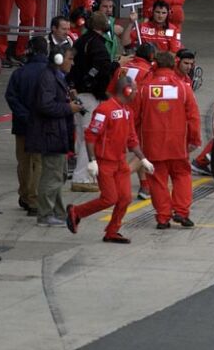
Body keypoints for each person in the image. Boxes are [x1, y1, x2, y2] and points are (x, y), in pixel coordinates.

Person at [66, 77, 154, 244]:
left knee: (125, 198)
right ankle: (76, 211)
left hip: (120, 162)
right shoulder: (104, 110)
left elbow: (132, 139)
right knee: (109, 198)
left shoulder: (128, 111)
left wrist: (143, 159)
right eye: (134, 89)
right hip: (105, 162)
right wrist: (92, 161)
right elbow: (91, 136)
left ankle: (112, 231)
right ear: (126, 90)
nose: (136, 92)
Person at [135, 51, 201, 229]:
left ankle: (163, 218)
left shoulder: (143, 88)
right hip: (178, 143)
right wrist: (194, 139)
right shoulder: (183, 88)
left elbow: (135, 118)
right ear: (174, 65)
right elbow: (193, 117)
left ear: (155, 65)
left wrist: (134, 143)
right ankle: (181, 211)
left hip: (152, 143)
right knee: (182, 176)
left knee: (157, 180)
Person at [26, 46, 84, 226]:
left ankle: (57, 211)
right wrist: (69, 108)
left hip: (58, 132)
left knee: (59, 174)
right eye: (70, 59)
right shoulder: (48, 78)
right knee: (51, 175)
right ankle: (45, 214)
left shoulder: (57, 77)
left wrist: (69, 100)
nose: (72, 63)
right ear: (59, 59)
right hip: (50, 133)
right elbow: (45, 105)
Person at [70, 11, 121, 192]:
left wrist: (74, 84)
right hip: (90, 97)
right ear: (103, 26)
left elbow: (72, 64)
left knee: (81, 135)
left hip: (77, 94)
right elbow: (103, 67)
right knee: (89, 138)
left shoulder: (81, 41)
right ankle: (82, 178)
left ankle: (82, 173)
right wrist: (101, 89)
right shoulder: (98, 46)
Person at [5, 37, 49, 216]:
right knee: (38, 162)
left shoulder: (19, 73)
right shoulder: (51, 73)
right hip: (42, 124)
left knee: (23, 161)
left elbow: (11, 97)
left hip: (22, 125)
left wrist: (24, 115)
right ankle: (33, 198)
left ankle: (24, 194)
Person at [107, 42, 156, 200]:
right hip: (138, 116)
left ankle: (144, 185)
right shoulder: (149, 72)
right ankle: (121, 175)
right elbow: (148, 97)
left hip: (119, 113)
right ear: (151, 56)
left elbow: (109, 91)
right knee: (144, 151)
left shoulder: (123, 67)